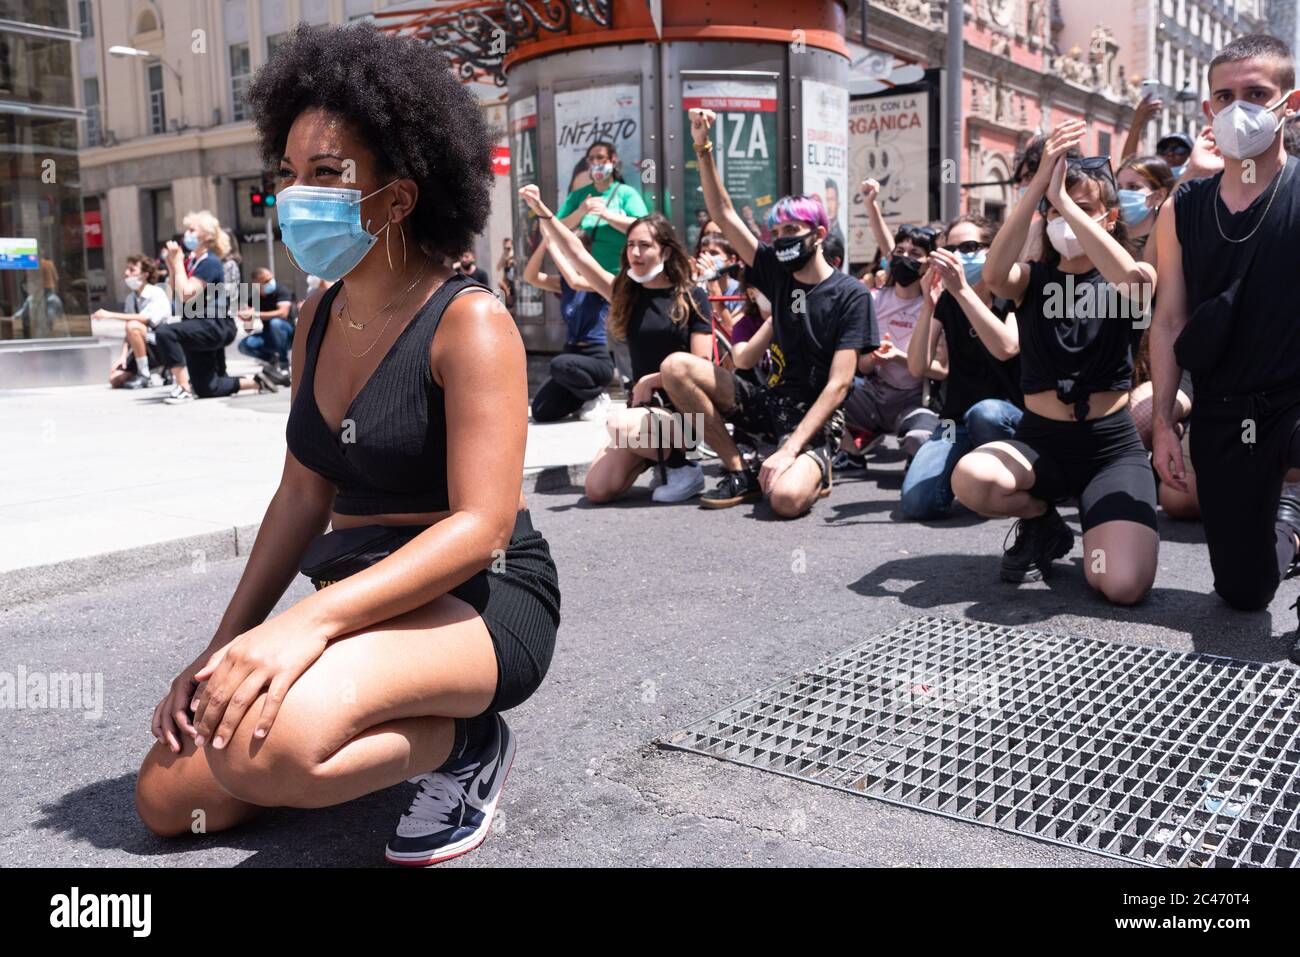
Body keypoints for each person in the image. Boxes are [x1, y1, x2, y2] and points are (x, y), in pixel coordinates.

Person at [135, 21, 561, 867]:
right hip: (361, 590)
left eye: (327, 174)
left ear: (399, 196)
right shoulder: (316, 321)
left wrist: (308, 628)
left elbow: (481, 525)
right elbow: (301, 494)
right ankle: (325, 736)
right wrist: (227, 643)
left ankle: (465, 743)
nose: (298, 194)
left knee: (261, 749)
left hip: (479, 594)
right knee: (165, 797)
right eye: (288, 172)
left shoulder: (471, 323)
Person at [951, 119, 1159, 604]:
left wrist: (1065, 201)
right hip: (1042, 441)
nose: (1064, 219)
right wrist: (1040, 187)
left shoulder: (1132, 273)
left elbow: (1135, 284)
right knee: (973, 479)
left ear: (1108, 218)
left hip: (1111, 448)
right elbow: (996, 273)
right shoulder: (1033, 278)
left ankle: (1100, 523)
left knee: (1121, 585)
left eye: (1084, 210)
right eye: (1056, 210)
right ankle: (1044, 524)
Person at [1149, 34, 1300, 660]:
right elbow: (1168, 320)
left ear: (1290, 103)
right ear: (1208, 111)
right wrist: (1161, 422)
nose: (1240, 108)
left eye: (1257, 94)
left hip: (1294, 398)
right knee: (1243, 591)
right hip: (1222, 409)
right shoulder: (1182, 209)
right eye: (1226, 96)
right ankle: (1285, 524)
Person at [657, 108, 875, 517]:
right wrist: (702, 146)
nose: (781, 240)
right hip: (769, 401)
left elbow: (839, 386)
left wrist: (791, 449)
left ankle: (810, 467)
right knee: (675, 367)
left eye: (791, 232)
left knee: (786, 500)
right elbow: (723, 213)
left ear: (819, 235)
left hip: (814, 419)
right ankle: (739, 467)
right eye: (776, 233)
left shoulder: (851, 295)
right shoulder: (777, 272)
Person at [522, 185, 713, 503]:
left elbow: (702, 367)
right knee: (597, 489)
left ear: (665, 251)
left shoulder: (692, 297)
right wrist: (542, 210)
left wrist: (654, 380)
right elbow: (578, 255)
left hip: (686, 416)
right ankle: (655, 457)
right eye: (631, 246)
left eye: (644, 246)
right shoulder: (627, 295)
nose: (634, 254)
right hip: (645, 414)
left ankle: (684, 469)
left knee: (618, 424)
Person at [899, 215, 1024, 520]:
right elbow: (917, 367)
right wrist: (929, 304)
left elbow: (1006, 348)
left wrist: (963, 292)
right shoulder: (947, 300)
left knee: (986, 413)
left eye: (968, 246)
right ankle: (966, 470)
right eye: (951, 249)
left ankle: (1006, 482)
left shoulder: (1014, 294)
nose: (958, 256)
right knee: (917, 504)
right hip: (956, 423)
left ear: (992, 251)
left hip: (1009, 415)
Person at [152, 210, 279, 404]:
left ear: (206, 236)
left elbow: (187, 293)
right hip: (196, 323)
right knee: (207, 388)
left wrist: (177, 263)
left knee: (165, 333)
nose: (186, 234)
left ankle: (183, 387)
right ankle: (258, 382)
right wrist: (172, 265)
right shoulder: (191, 262)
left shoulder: (210, 263)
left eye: (192, 229)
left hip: (214, 324)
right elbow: (175, 296)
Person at [840, 222, 935, 470]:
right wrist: (872, 359)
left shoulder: (935, 305)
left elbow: (943, 369)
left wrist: (899, 357)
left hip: (913, 402)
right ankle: (850, 453)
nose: (905, 259)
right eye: (900, 252)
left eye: (915, 254)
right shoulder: (872, 299)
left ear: (928, 263)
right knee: (820, 386)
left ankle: (918, 455)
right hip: (872, 395)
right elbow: (859, 364)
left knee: (920, 438)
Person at [522, 233, 614, 423]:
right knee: (540, 411)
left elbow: (575, 281)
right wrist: (545, 243)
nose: (563, 257)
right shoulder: (563, 284)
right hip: (571, 356)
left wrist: (555, 246)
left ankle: (597, 396)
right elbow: (530, 276)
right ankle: (581, 399)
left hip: (596, 358)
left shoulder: (599, 282)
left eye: (567, 252)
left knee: (559, 364)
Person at [556, 141, 649, 275]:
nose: (595, 162)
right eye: (591, 159)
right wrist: (580, 212)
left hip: (622, 275)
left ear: (613, 160)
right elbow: (557, 227)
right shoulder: (578, 195)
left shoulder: (626, 193)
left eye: (600, 157)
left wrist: (607, 216)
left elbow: (644, 227)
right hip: (587, 277)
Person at [99, 254, 173, 389]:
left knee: (133, 325)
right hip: (142, 346)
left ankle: (145, 374)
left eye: (132, 270)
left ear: (144, 275)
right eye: (127, 269)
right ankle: (149, 369)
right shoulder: (130, 298)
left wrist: (110, 315)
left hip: (159, 343)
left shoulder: (156, 293)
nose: (127, 273)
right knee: (115, 380)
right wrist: (123, 356)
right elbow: (129, 334)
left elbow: (146, 319)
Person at [236, 266, 295, 386]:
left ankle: (284, 365)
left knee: (276, 323)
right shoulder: (254, 298)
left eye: (271, 279)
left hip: (288, 335)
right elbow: (248, 329)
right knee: (244, 345)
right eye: (266, 281)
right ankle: (272, 360)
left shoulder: (281, 290)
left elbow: (283, 313)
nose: (270, 282)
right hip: (270, 337)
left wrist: (255, 314)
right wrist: (247, 318)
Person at [496, 237, 516, 309]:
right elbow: (498, 268)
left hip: (515, 284)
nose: (506, 248)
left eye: (508, 247)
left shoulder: (515, 255)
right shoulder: (505, 256)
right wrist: (504, 254)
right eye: (505, 246)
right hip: (508, 284)